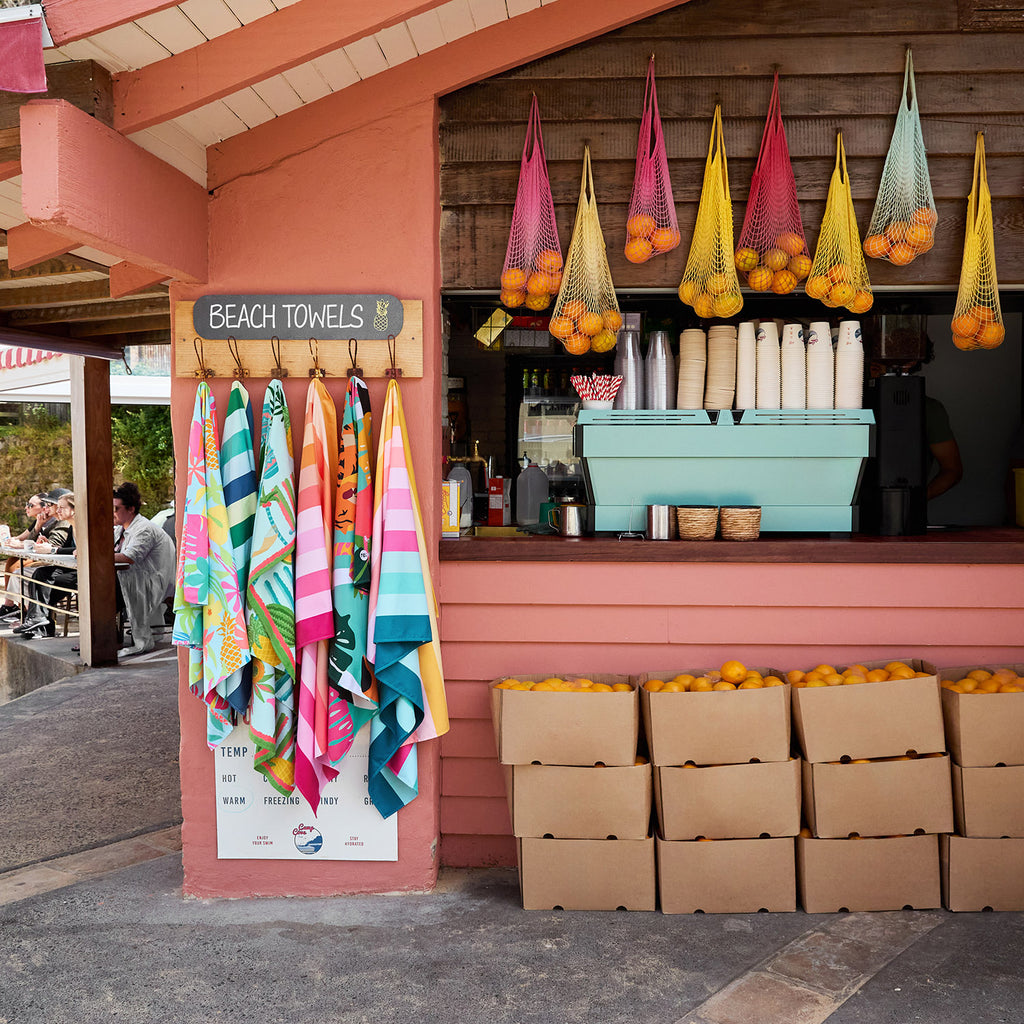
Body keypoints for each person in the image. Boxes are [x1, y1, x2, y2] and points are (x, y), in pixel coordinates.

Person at [113, 481, 176, 658]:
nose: (113, 513)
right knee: (98, 585)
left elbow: (129, 557)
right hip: (135, 577)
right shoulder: (120, 529)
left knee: (103, 589)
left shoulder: (144, 529)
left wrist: (95, 555)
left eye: (116, 509)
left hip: (153, 581)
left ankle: (106, 638)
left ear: (131, 509)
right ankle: (106, 636)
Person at [12, 492, 77, 640]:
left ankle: (39, 625)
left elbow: (78, 550)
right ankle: (37, 623)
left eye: (61, 508)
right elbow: (67, 549)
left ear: (73, 509)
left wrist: (53, 549)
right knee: (40, 575)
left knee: (44, 587)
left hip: (84, 571)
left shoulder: (80, 526)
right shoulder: (72, 527)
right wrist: (48, 544)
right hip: (70, 567)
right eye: (57, 507)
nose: (57, 511)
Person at [1, 489, 71, 622]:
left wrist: (45, 546)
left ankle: (29, 614)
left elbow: (55, 544)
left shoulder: (64, 522)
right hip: (57, 562)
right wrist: (38, 526)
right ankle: (28, 614)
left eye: (50, 505)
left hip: (62, 565)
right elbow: (27, 538)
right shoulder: (49, 521)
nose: (47, 508)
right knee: (14, 564)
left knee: (22, 572)